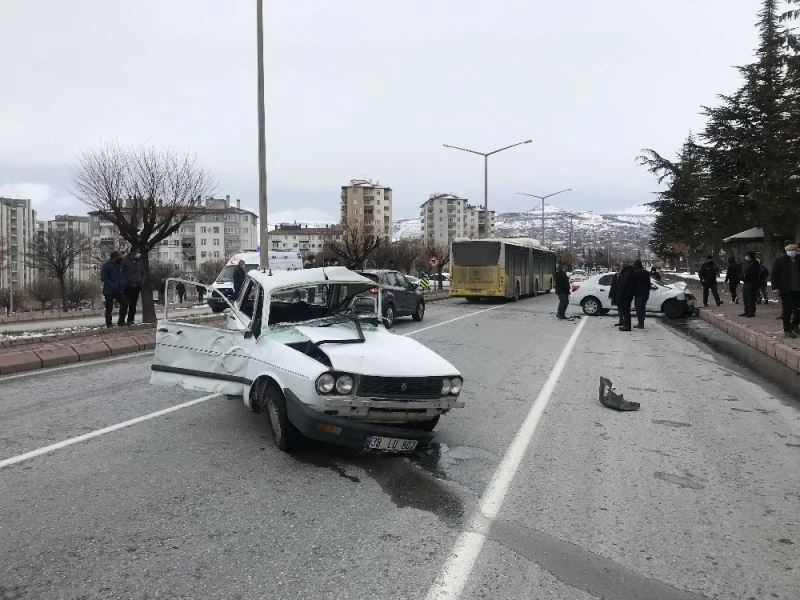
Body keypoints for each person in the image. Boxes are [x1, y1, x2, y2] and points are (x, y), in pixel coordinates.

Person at [770, 243, 800, 338]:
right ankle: (787, 330)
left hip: (798, 290)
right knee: (787, 311)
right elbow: (774, 275)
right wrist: (775, 287)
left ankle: (794, 325)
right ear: (787, 251)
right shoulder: (780, 261)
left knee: (798, 310)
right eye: (790, 250)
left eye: (794, 249)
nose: (793, 251)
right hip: (786, 290)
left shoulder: (799, 260)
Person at [100, 251, 128, 328]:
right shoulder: (106, 266)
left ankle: (121, 322)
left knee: (125, 304)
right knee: (109, 307)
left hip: (119, 290)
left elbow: (121, 277)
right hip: (109, 291)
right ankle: (109, 324)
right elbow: (103, 278)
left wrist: (122, 286)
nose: (121, 258)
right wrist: (113, 285)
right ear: (115, 257)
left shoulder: (119, 266)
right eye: (119, 257)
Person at [121, 248, 144, 325]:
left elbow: (143, 272)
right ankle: (121, 320)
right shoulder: (125, 260)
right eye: (136, 253)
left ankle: (130, 320)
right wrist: (125, 282)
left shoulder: (140, 261)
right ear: (132, 253)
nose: (138, 254)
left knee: (133, 304)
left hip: (137, 285)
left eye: (139, 253)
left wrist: (141, 281)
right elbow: (121, 272)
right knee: (125, 303)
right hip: (127, 285)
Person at [740, 251, 760, 318]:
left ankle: (751, 312)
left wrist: (746, 275)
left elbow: (754, 273)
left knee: (750, 297)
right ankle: (746, 311)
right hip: (746, 282)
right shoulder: (746, 263)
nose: (746, 257)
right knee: (745, 297)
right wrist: (742, 275)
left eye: (747, 256)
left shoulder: (755, 263)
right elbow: (743, 271)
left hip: (752, 282)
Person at [616, 263, 636, 331]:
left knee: (625, 311)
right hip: (629, 295)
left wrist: (619, 294)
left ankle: (627, 326)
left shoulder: (625, 274)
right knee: (627, 310)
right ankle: (626, 325)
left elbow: (622, 285)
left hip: (624, 295)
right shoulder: (632, 273)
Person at [632, 259, 651, 329]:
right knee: (643, 307)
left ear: (636, 265)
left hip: (638, 293)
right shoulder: (646, 273)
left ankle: (640, 324)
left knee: (638, 308)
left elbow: (633, 284)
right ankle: (641, 322)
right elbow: (649, 284)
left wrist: (633, 292)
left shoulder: (635, 273)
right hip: (645, 293)